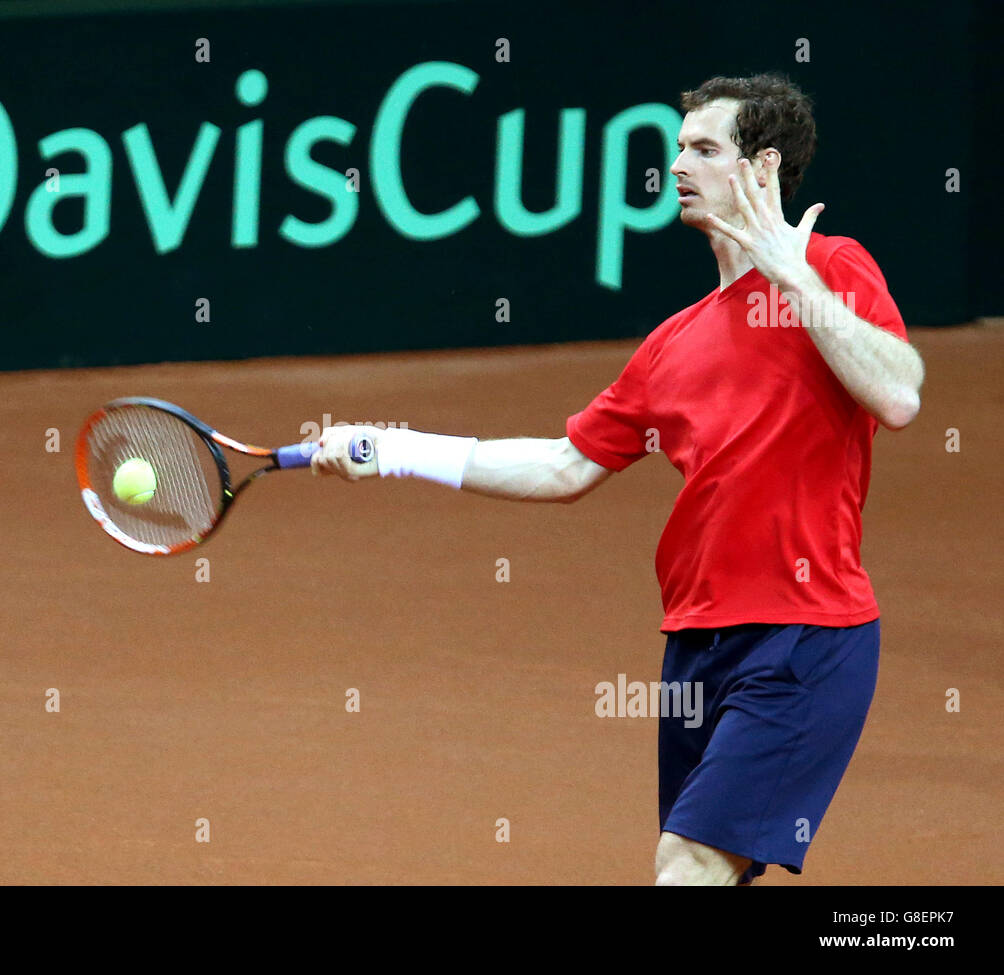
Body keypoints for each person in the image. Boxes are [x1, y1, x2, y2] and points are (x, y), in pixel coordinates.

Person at [309, 73, 924, 885]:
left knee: (689, 863)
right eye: (677, 148)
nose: (676, 165)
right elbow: (565, 466)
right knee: (712, 870)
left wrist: (794, 276)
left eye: (704, 149)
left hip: (806, 637)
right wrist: (392, 448)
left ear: (763, 168)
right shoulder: (672, 345)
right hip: (697, 647)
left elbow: (899, 393)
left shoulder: (834, 268)